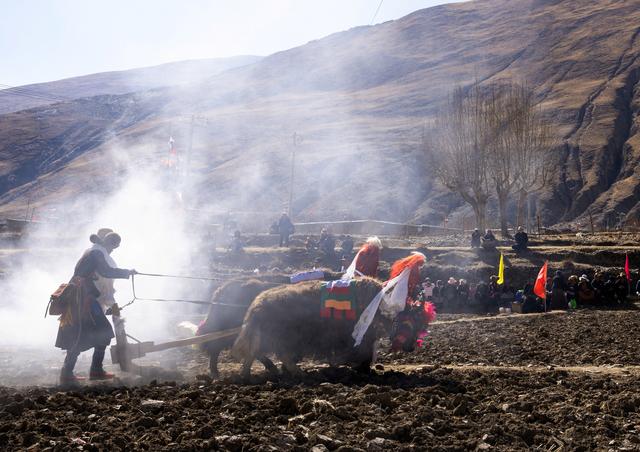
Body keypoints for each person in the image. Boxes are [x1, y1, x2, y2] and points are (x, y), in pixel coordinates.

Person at [56, 231, 136, 387]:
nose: (113, 251)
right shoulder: (97, 252)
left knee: (80, 334)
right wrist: (128, 272)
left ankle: (76, 372)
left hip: (83, 299)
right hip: (84, 300)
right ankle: (90, 371)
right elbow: (106, 271)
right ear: (111, 244)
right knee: (98, 333)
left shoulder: (94, 251)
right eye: (114, 247)